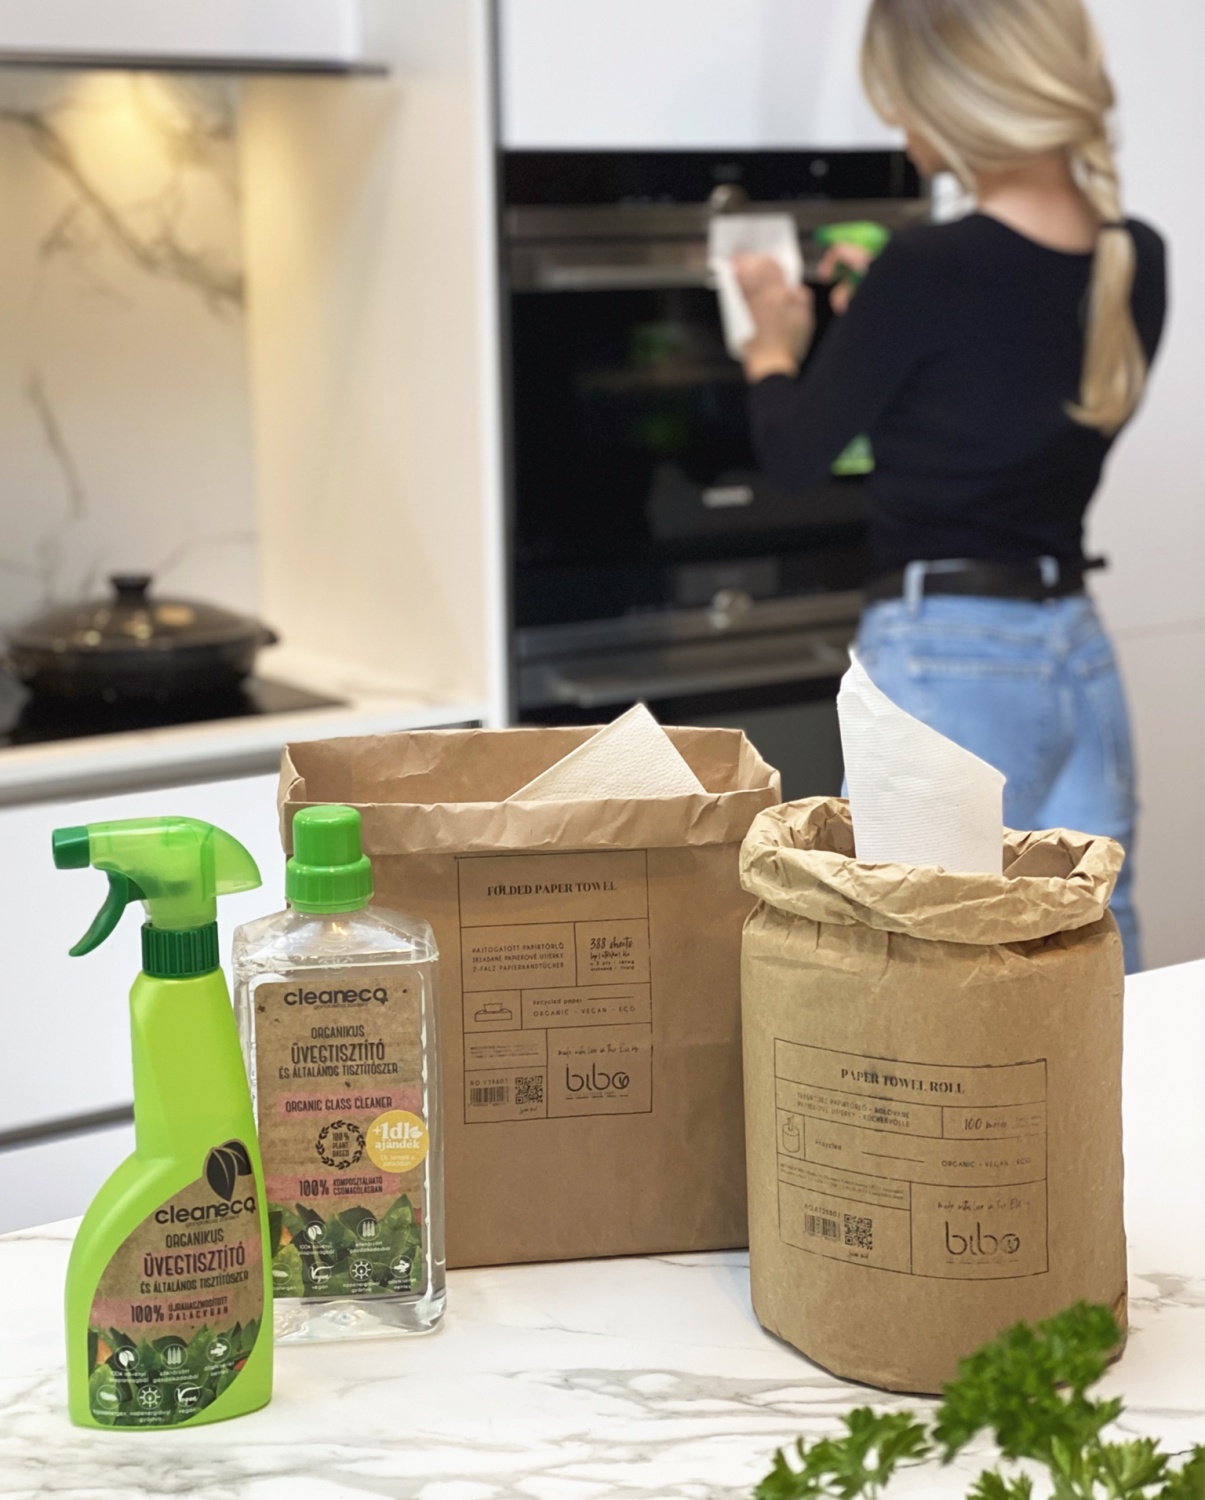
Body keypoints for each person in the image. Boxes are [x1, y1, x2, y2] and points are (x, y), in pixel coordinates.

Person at [735, 0, 1166, 973]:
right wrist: (883, 314)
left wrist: (772, 348)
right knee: (1092, 960)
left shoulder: (926, 268)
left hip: (945, 659)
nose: (898, 125)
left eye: (900, 99)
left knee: (920, 969)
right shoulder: (1134, 258)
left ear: (958, 98)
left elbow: (795, 456)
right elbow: (1001, 388)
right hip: (1074, 653)